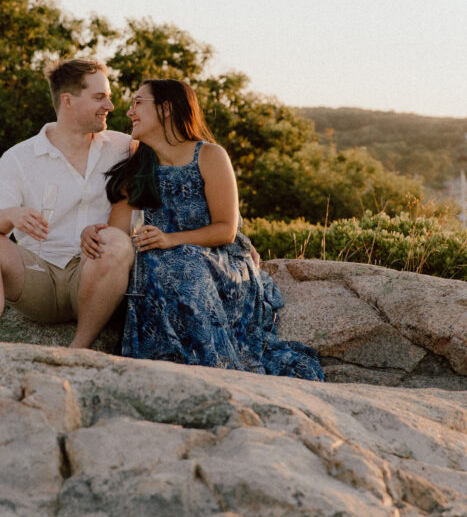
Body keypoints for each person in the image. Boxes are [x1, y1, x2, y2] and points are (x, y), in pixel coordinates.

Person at [81, 78, 323, 379]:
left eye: (138, 103)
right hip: (162, 257)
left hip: (219, 258)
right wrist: (94, 232)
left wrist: (171, 239)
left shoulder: (209, 155)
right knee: (155, 265)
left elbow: (226, 230)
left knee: (182, 265)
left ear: (166, 109)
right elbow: (119, 233)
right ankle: (162, 367)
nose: (129, 112)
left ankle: (215, 368)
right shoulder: (138, 167)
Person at [0, 58, 134, 346]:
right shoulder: (21, 157)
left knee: (116, 242)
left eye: (108, 96)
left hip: (95, 277)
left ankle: (78, 349)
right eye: (99, 97)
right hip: (38, 277)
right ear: (68, 101)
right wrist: (12, 214)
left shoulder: (124, 148)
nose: (110, 106)